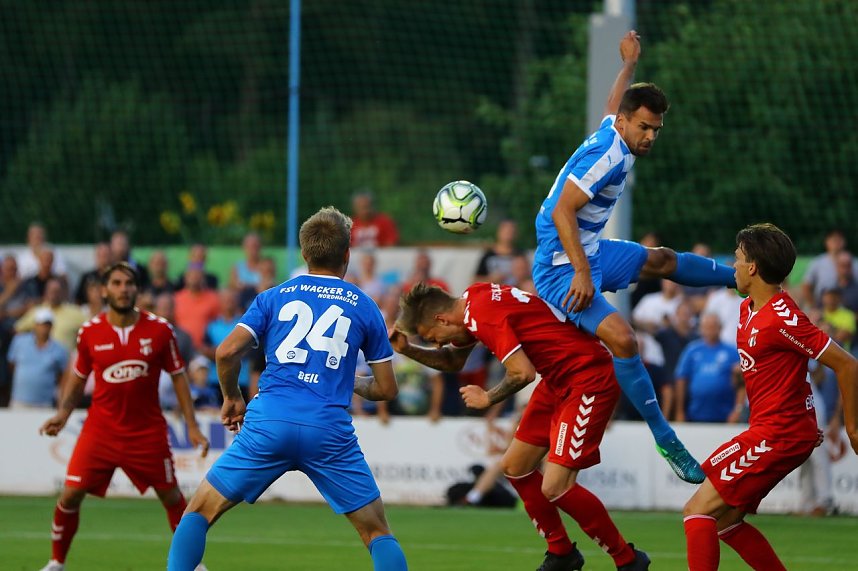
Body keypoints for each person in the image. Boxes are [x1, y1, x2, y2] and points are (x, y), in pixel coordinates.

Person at [532, 31, 736, 483]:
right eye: (643, 127)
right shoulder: (608, 154)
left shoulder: (615, 128)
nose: (650, 136)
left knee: (662, 260)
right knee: (624, 341)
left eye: (656, 130)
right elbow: (563, 210)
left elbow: (613, 104)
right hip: (561, 266)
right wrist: (582, 273)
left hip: (588, 248)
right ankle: (665, 437)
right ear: (626, 123)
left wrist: (628, 65)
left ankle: (737, 278)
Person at [167, 207, 407, 571]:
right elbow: (387, 389)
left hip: (269, 423)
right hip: (327, 430)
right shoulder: (365, 305)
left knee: (198, 513)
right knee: (377, 533)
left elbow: (226, 352)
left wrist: (232, 397)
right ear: (347, 253)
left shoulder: (273, 296)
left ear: (305, 253)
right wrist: (350, 381)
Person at [392, 282, 650, 571]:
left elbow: (522, 373)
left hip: (587, 379)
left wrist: (488, 397)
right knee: (515, 467)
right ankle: (562, 554)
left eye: (432, 338)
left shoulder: (481, 315)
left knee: (556, 486)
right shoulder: (474, 298)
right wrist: (407, 349)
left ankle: (628, 560)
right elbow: (453, 361)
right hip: (557, 380)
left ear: (441, 319)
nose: (437, 344)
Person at [682, 223, 858, 570]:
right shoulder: (748, 308)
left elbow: (848, 364)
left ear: (752, 268)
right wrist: (803, 424)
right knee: (725, 521)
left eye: (737, 258)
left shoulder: (783, 318)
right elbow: (789, 370)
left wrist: (852, 429)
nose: (732, 265)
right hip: (776, 430)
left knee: (697, 511)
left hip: (776, 434)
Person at [37, 262, 209, 571]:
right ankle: (56, 562)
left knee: (172, 497)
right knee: (70, 494)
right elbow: (78, 378)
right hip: (100, 431)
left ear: (137, 290)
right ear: (104, 290)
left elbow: (179, 376)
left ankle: (193, 565)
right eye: (116, 283)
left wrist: (193, 426)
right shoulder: (90, 332)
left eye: (129, 283)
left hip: (146, 432)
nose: (123, 289)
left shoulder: (160, 330)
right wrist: (63, 414)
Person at [673, 313, 743, 423]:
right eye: (706, 327)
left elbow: (742, 383)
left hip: (725, 415)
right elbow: (681, 380)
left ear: (720, 328)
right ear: (701, 328)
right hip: (695, 414)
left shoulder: (732, 352)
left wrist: (737, 410)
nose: (710, 330)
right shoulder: (692, 350)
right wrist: (679, 411)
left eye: (713, 326)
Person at [7, 308, 67, 408]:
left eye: (47, 324)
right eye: (41, 324)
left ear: (52, 326)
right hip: (19, 401)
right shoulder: (19, 341)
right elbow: (11, 365)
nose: (44, 328)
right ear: (35, 325)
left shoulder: (59, 349)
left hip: (44, 403)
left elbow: (61, 376)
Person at [801, 228, 858, 308]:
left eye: (839, 239)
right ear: (826, 242)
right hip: (823, 308)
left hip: (850, 308)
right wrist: (814, 307)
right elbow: (806, 287)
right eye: (834, 240)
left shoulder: (854, 262)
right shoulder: (817, 263)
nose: (837, 243)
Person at [473, 219, 525, 285]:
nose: (509, 235)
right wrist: (492, 279)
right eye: (506, 232)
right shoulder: (488, 255)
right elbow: (475, 281)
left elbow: (528, 278)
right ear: (498, 232)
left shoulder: (520, 254)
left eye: (512, 232)